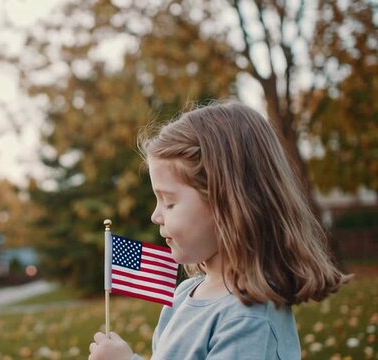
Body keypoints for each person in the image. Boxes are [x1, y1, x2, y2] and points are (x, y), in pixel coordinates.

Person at [89, 101, 349, 359]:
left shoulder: (247, 318)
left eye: (169, 202)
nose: (155, 215)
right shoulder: (183, 295)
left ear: (226, 204)